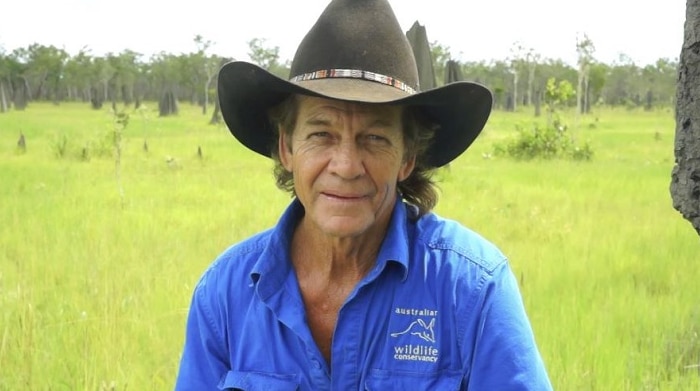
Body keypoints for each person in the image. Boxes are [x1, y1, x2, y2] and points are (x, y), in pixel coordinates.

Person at [174, 0, 553, 389]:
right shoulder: (225, 293)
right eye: (322, 134)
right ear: (286, 148)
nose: (347, 165)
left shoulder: (471, 287)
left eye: (374, 138)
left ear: (407, 157)